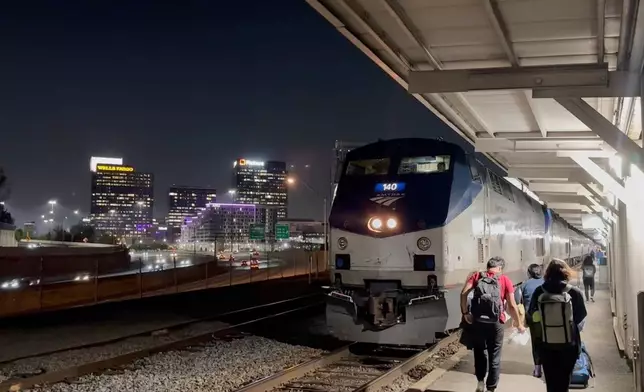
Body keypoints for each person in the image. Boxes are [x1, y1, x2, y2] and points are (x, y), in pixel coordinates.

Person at [461, 256, 525, 392]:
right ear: (500, 268)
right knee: (494, 355)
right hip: (496, 322)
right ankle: (491, 388)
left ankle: (480, 383)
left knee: (479, 353)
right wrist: (519, 323)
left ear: (488, 266)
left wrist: (466, 313)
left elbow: (463, 294)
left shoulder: (477, 276)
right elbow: (512, 305)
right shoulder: (505, 279)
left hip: (478, 321)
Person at [528, 259, 587, 392]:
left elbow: (532, 315)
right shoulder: (574, 292)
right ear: (566, 273)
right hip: (569, 344)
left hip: (546, 344)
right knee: (564, 381)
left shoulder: (539, 291)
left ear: (547, 273)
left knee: (551, 381)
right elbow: (581, 315)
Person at [517, 263, 545, 378]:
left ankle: (538, 370)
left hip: (533, 318)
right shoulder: (547, 283)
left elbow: (517, 300)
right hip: (548, 317)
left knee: (536, 343)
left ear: (529, 273)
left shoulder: (524, 285)